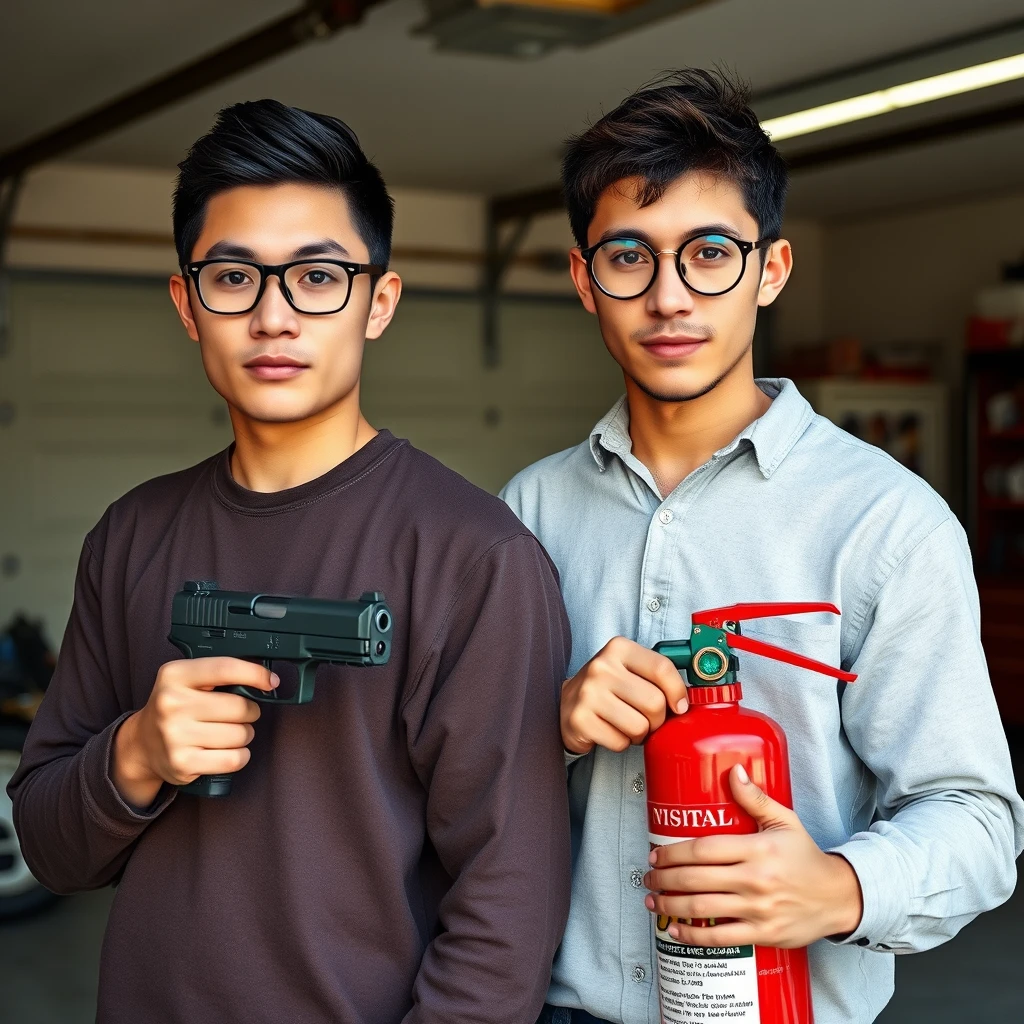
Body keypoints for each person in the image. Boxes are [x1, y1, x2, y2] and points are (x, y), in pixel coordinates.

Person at [9, 99, 572, 1024]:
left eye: (317, 276)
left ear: (377, 303)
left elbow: (508, 902)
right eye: (234, 277)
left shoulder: (476, 557)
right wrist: (137, 754)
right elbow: (51, 847)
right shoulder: (130, 535)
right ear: (188, 306)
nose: (274, 316)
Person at [501, 69, 1024, 1024]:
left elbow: (978, 821)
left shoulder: (886, 524)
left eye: (709, 254)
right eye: (629, 257)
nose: (668, 297)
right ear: (585, 280)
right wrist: (550, 724)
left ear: (770, 270)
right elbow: (454, 784)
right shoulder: (528, 512)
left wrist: (838, 886)